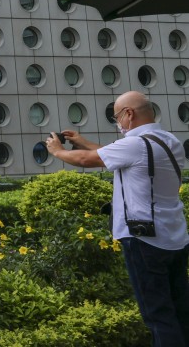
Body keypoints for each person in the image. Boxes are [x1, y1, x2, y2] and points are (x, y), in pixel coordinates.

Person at [46, 91, 189, 346]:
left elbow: (83, 160)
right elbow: (113, 154)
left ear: (129, 114)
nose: (117, 122)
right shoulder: (168, 141)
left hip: (144, 240)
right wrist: (83, 140)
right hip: (175, 237)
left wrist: (57, 151)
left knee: (158, 317)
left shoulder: (135, 145)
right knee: (180, 310)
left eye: (116, 117)